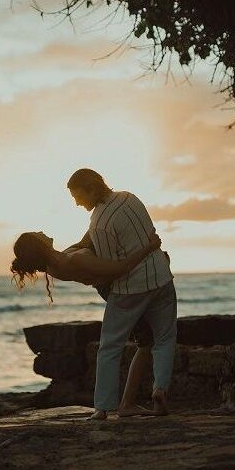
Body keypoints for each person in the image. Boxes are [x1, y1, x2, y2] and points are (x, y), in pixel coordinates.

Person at [67, 168, 177, 420]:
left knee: (110, 346)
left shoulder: (101, 224)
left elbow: (111, 266)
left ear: (92, 189)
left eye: (78, 196)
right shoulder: (129, 197)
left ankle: (103, 407)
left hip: (130, 288)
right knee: (165, 338)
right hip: (161, 276)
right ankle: (160, 390)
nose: (76, 202)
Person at [11, 230, 161, 301]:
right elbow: (120, 268)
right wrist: (150, 247)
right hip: (121, 291)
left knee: (147, 342)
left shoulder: (55, 262)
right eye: (37, 233)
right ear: (38, 245)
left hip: (116, 290)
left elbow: (83, 243)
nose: (41, 231)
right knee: (149, 342)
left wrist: (99, 217)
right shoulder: (72, 260)